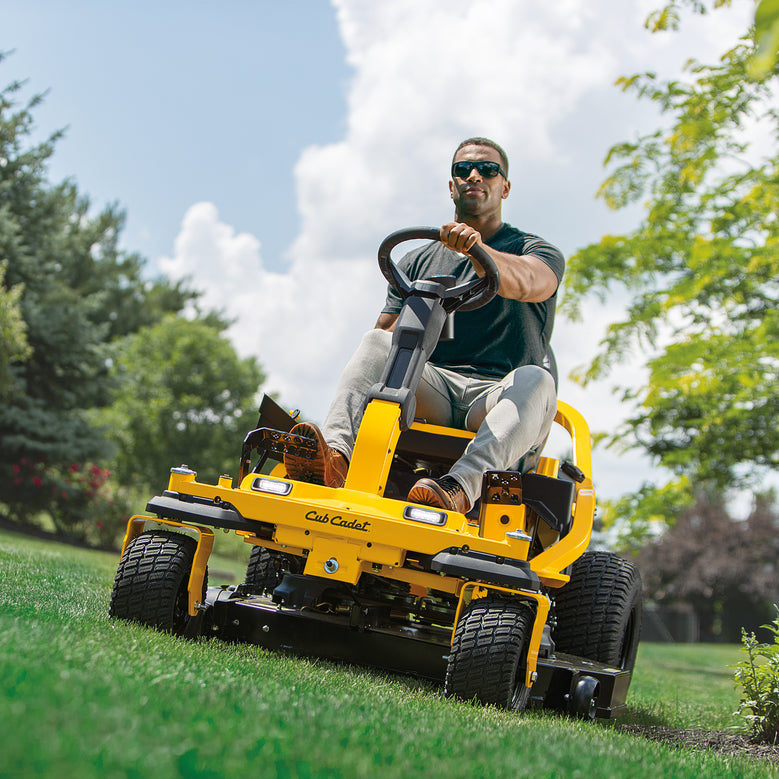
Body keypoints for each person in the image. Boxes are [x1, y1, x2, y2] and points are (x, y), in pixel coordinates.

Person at [284, 137, 564, 514]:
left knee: (537, 378)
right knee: (376, 342)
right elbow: (388, 340)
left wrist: (476, 251)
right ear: (451, 185)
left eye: (488, 169)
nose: (474, 176)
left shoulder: (535, 251)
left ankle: (457, 488)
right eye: (463, 170)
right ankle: (336, 458)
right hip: (433, 389)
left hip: (497, 396)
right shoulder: (417, 261)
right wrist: (424, 310)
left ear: (505, 187)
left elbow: (529, 283)